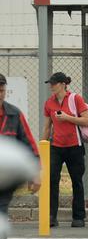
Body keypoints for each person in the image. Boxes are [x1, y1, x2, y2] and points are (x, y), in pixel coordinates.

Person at [42, 72, 88, 228]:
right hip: (56, 146)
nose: (51, 86)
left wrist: (67, 118)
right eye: (50, 83)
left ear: (63, 84)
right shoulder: (49, 103)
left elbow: (87, 121)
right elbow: (47, 126)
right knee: (52, 180)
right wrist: (43, 144)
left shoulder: (75, 99)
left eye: (54, 83)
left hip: (74, 146)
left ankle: (78, 217)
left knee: (76, 181)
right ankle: (51, 216)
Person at [0, 73, 41, 216]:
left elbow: (29, 144)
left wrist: (34, 174)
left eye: (1, 91)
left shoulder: (14, 114)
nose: (0, 94)